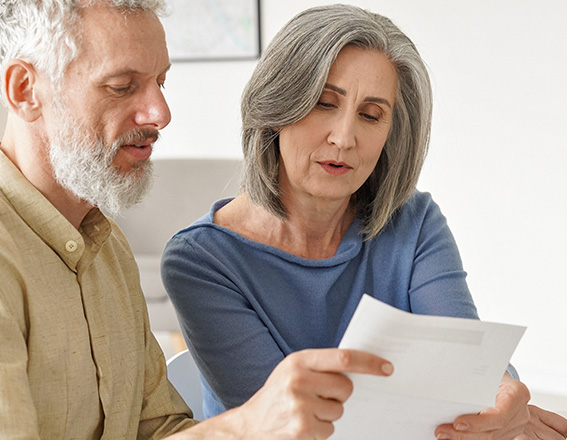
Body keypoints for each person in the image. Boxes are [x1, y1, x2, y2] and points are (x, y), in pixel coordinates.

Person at [161, 4, 567, 439]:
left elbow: (468, 361)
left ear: (391, 132)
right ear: (277, 107)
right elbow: (288, 428)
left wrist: (499, 398)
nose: (344, 138)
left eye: (371, 114)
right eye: (324, 104)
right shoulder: (200, 260)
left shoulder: (415, 223)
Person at [0, 1, 394, 439]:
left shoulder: (106, 247)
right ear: (25, 90)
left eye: (160, 82)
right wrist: (247, 424)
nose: (160, 114)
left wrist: (255, 425)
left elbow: (158, 430)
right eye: (121, 86)